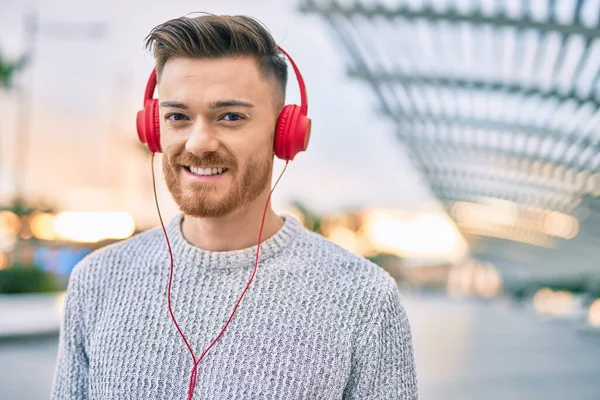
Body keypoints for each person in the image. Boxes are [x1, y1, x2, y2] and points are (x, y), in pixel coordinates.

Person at [50, 13, 418, 400]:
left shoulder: (363, 299)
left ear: (284, 133)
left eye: (230, 117)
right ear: (154, 129)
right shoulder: (97, 281)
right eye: (177, 116)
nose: (198, 143)